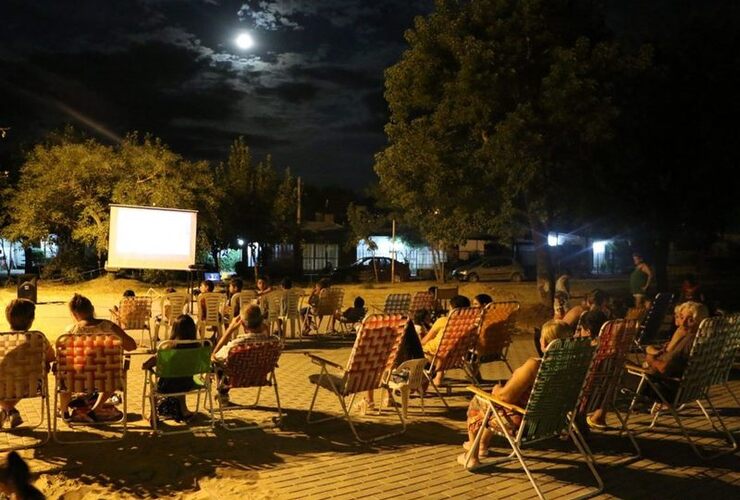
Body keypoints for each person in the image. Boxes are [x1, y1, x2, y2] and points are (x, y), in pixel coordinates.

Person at [458, 319, 571, 468]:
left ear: (543, 342)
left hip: (524, 424)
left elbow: (505, 397)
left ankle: (472, 457)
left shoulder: (535, 365)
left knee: (480, 400)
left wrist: (496, 390)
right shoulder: (571, 366)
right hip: (554, 421)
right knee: (492, 404)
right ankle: (482, 446)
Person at [59, 294, 137, 423]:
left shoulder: (70, 331)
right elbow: (131, 346)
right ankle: (95, 409)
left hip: (77, 381)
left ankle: (64, 412)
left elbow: (62, 358)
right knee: (114, 370)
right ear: (92, 309)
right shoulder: (109, 327)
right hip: (106, 380)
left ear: (74, 314)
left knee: (63, 372)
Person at [0, 299, 55, 429]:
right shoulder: (38, 338)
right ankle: (10, 410)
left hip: (2, 385)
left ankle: (7, 410)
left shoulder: (2, 338)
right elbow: (51, 357)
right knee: (42, 367)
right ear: (31, 319)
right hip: (31, 386)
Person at [211, 304, 274, 404]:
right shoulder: (272, 343)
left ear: (243, 325)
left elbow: (214, 356)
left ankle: (222, 395)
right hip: (259, 376)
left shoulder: (237, 345)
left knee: (216, 364)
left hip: (237, 377)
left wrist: (230, 329)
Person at [142, 314, 199, 423]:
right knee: (182, 375)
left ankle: (153, 415)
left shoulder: (167, 348)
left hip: (167, 386)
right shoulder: (197, 347)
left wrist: (151, 368)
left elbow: (146, 365)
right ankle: (184, 410)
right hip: (188, 383)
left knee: (153, 390)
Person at [421, 295, 471, 386]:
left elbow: (425, 340)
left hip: (431, 356)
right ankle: (438, 377)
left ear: (452, 309)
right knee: (447, 348)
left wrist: (418, 344)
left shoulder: (443, 321)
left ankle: (418, 378)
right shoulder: (469, 325)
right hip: (454, 358)